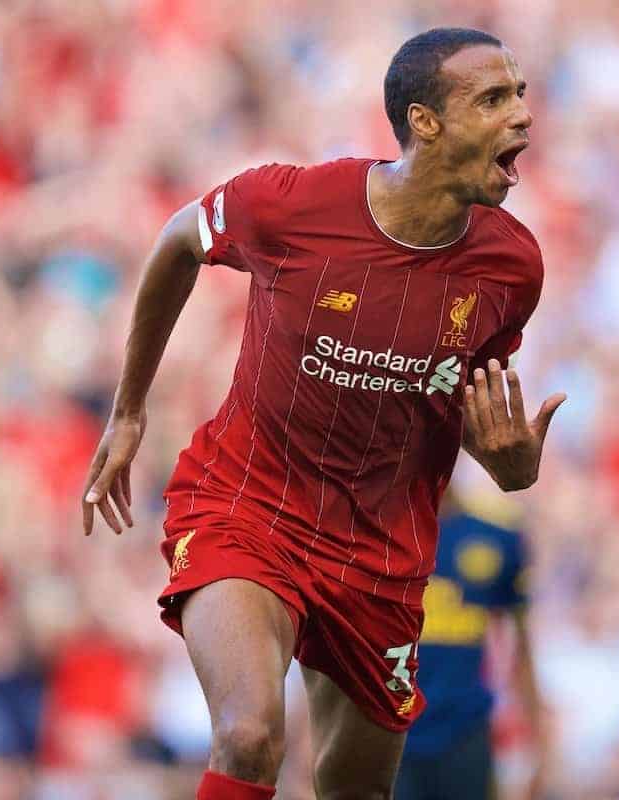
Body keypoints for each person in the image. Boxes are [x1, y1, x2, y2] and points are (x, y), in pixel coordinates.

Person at [79, 27, 566, 800]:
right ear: (425, 122)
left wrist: (511, 468)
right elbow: (179, 240)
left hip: (379, 554)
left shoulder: (513, 268)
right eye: (495, 99)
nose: (522, 118)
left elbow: (460, 406)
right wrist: (129, 410)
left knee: (356, 788)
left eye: (522, 96)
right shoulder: (293, 205)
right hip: (249, 506)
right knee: (248, 735)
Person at [395, 491, 548, 800]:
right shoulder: (375, 535)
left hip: (465, 728)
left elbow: (522, 645)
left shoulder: (497, 536)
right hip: (392, 732)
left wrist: (539, 743)